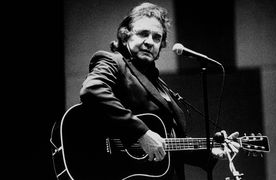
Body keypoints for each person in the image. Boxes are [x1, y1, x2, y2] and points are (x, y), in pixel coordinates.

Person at [79, 2, 240, 180]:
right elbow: (93, 90)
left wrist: (212, 151)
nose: (149, 42)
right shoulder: (113, 61)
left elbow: (166, 145)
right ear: (125, 37)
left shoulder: (159, 84)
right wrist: (141, 132)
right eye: (142, 34)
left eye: (157, 38)